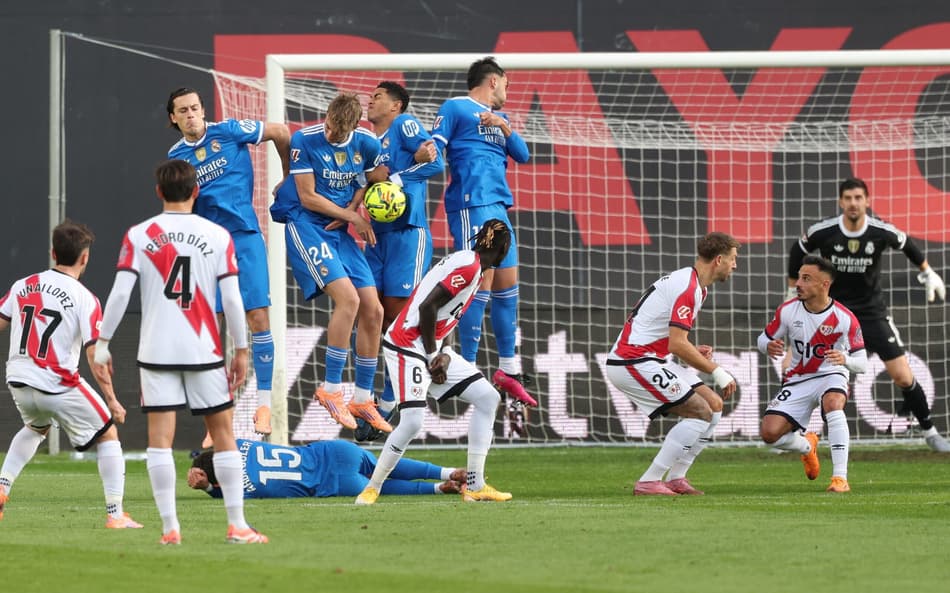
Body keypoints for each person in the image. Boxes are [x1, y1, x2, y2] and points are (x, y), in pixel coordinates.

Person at [92, 159, 267, 544]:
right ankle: (237, 525)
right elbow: (233, 300)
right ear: (196, 191)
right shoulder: (218, 235)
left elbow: (121, 293)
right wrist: (241, 349)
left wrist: (103, 342)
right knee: (223, 436)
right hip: (203, 349)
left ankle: (170, 529)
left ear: (158, 192)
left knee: (160, 441)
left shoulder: (140, 234)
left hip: (156, 350)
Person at [355, 219, 514, 505]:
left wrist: (443, 352)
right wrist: (432, 356)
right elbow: (428, 306)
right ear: (503, 249)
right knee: (413, 422)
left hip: (430, 346)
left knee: (488, 398)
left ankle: (476, 485)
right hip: (406, 344)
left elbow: (442, 313)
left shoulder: (471, 266)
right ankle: (372, 488)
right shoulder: (469, 267)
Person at [788, 178, 950, 452]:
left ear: (867, 201)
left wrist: (927, 271)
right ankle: (789, 433)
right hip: (832, 314)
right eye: (848, 198)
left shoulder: (879, 231)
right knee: (805, 369)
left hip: (872, 313)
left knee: (902, 376)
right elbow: (798, 250)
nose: (853, 203)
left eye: (858, 198)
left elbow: (906, 243)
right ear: (841, 202)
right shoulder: (824, 231)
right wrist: (793, 291)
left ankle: (931, 432)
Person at [0, 221, 141, 528]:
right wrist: (112, 400)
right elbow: (94, 354)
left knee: (36, 427)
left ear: (53, 253)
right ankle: (116, 514)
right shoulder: (84, 298)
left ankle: (1, 487)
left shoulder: (23, 284)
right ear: (85, 258)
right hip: (56, 383)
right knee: (108, 433)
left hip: (19, 379)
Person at [167, 87, 291, 437]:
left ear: (203, 110)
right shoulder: (176, 157)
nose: (191, 114)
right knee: (215, 327)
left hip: (244, 237)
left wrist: (288, 178)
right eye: (183, 110)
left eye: (194, 107)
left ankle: (264, 405)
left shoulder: (230, 131)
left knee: (258, 317)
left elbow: (281, 132)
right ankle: (220, 412)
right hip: (207, 247)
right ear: (173, 118)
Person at [270, 92, 391, 435]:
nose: (331, 133)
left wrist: (355, 205)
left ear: (353, 127)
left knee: (374, 310)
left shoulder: (366, 143)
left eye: (339, 131)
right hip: (307, 224)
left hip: (340, 227)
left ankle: (363, 398)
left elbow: (371, 179)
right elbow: (308, 196)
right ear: (326, 116)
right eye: (328, 125)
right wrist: (352, 216)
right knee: (348, 300)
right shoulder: (305, 140)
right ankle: (331, 387)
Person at [431, 57, 537, 410]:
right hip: (471, 203)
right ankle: (468, 365)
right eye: (506, 85)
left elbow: (523, 155)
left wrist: (503, 126)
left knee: (508, 283)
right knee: (481, 281)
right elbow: (435, 150)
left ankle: (507, 367)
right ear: (493, 81)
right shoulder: (455, 107)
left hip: (499, 207)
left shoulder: (501, 120)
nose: (508, 93)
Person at [605, 232, 740, 496]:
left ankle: (677, 477)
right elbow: (678, 344)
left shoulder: (697, 286)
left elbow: (672, 339)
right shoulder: (687, 288)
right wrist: (717, 371)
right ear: (719, 260)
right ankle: (649, 481)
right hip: (631, 361)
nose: (735, 265)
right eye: (733, 259)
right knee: (699, 412)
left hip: (650, 358)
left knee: (714, 406)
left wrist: (692, 350)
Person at [359, 81, 444, 440]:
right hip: (377, 235)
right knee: (371, 314)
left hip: (408, 233)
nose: (370, 100)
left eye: (378, 96)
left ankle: (393, 399)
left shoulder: (404, 124)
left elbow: (434, 162)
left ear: (396, 105)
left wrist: (395, 176)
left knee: (398, 314)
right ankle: (369, 399)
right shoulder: (368, 142)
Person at [761, 256, 867, 492]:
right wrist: (766, 346)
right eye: (799, 276)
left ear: (824, 284)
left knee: (833, 403)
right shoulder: (788, 311)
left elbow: (863, 363)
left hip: (831, 374)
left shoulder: (844, 318)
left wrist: (846, 360)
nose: (798, 283)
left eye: (806, 279)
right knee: (770, 434)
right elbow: (764, 338)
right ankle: (807, 446)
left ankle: (840, 478)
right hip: (798, 379)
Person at [187, 438, 465, 498]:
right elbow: (218, 442)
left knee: (380, 487)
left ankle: (437, 488)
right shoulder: (239, 443)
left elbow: (223, 494)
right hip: (335, 452)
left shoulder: (244, 488)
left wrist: (209, 488)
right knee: (384, 465)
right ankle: (445, 472)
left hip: (334, 484)